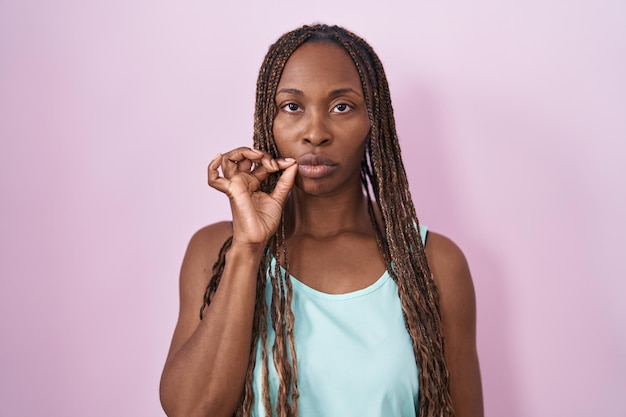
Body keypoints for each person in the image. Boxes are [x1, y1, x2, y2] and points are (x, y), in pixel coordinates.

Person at [160, 24, 483, 417]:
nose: (315, 133)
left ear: (372, 122)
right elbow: (192, 411)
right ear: (269, 118)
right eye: (292, 107)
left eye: (341, 107)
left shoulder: (433, 262)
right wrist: (247, 248)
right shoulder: (215, 250)